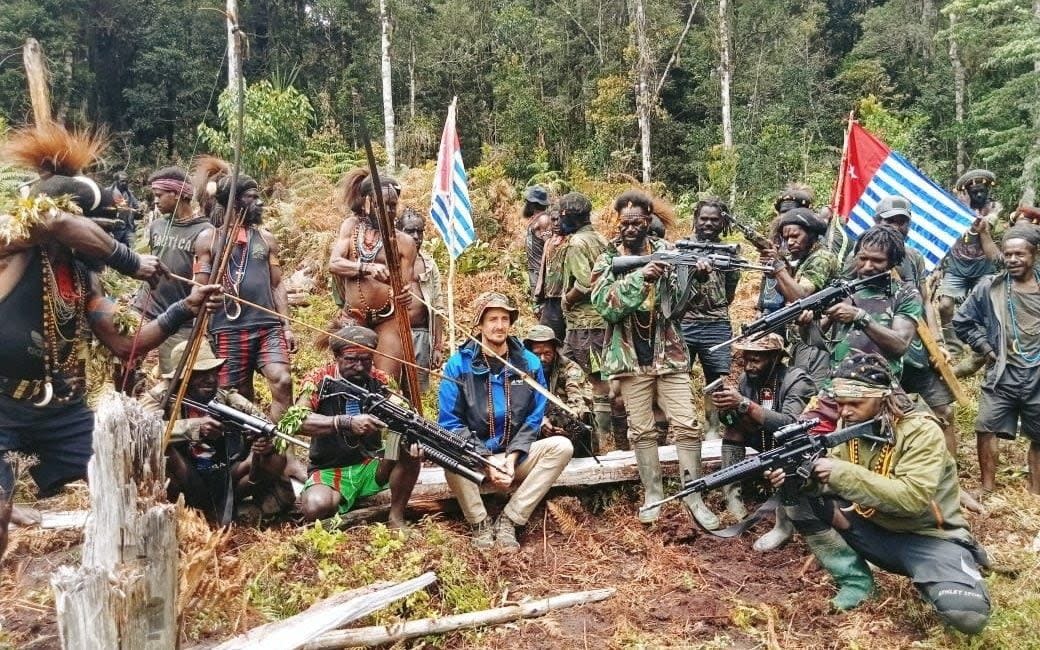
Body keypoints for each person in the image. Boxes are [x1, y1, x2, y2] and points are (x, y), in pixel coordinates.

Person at [0, 122, 208, 513]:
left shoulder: (84, 278)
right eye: (102, 230)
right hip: (1, 403)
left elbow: (125, 343)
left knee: (126, 480)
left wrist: (185, 307)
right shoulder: (13, 245)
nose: (108, 239)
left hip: (61, 409)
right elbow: (55, 221)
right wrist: (129, 261)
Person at [765, 352, 990, 634]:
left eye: (854, 403)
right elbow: (834, 481)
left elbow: (912, 498)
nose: (844, 412)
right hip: (873, 530)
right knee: (798, 496)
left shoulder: (920, 430)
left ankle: (950, 569)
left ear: (882, 397)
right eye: (840, 403)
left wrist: (836, 471)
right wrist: (801, 479)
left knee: (967, 617)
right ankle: (856, 582)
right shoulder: (853, 423)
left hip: (928, 537)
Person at [591, 189, 717, 528]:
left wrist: (698, 278)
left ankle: (694, 495)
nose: (631, 228)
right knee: (642, 429)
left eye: (638, 222)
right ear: (618, 224)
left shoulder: (669, 253)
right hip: (630, 358)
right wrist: (641, 277)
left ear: (650, 221)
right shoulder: (606, 259)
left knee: (687, 424)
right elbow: (605, 304)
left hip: (670, 354)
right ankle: (653, 495)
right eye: (625, 223)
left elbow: (681, 305)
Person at [438, 292, 573, 550]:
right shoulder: (459, 364)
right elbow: (450, 422)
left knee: (562, 447)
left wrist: (511, 460)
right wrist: (486, 461)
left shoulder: (528, 363)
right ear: (480, 323)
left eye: (504, 319)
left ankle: (511, 519)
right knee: (448, 454)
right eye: (492, 319)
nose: (499, 326)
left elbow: (533, 419)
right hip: (475, 459)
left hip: (515, 457)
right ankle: (479, 522)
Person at [141, 341, 292, 524]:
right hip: (184, 477)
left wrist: (263, 443)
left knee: (275, 457)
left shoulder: (225, 399)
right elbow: (142, 430)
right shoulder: (160, 397)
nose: (211, 379)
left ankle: (240, 507)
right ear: (182, 377)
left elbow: (263, 423)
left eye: (213, 372)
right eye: (201, 373)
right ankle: (182, 511)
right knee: (163, 450)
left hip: (223, 475)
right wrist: (193, 427)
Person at [293, 325, 420, 528]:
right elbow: (297, 420)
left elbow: (403, 411)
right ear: (336, 356)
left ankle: (396, 518)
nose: (360, 367)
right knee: (315, 506)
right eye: (351, 360)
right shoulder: (317, 379)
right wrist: (344, 423)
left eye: (366, 360)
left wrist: (410, 433)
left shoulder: (381, 381)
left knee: (410, 449)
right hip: (330, 470)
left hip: (373, 465)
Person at [865, 198, 961, 456]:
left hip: (916, 350)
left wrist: (938, 343)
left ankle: (949, 476)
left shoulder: (914, 258)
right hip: (878, 351)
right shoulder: (863, 256)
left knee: (944, 412)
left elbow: (926, 301)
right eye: (889, 221)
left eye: (902, 221)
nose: (896, 227)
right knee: (884, 417)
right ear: (877, 223)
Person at [954, 227, 1040, 496]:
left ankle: (1036, 490)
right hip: (1003, 371)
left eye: (1020, 254)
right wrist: (984, 345)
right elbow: (962, 321)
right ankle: (987, 486)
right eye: (1009, 254)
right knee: (986, 426)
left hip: (1037, 373)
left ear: (1034, 255)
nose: (1013, 259)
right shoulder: (990, 287)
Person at [202, 171, 295, 420]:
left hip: (268, 327)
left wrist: (286, 325)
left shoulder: (266, 239)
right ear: (232, 201)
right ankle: (251, 454)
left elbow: (277, 285)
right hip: (228, 329)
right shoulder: (209, 240)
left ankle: (282, 451)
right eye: (252, 197)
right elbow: (198, 289)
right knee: (237, 396)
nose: (260, 202)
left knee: (283, 381)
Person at [711, 333, 815, 550]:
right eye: (745, 360)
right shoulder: (746, 381)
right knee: (733, 429)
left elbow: (790, 424)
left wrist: (745, 404)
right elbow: (736, 419)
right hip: (765, 439)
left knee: (790, 444)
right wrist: (726, 410)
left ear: (775, 357)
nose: (749, 367)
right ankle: (733, 500)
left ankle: (787, 523)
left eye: (756, 360)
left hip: (795, 447)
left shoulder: (796, 380)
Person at [329, 168, 418, 385]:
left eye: (393, 206)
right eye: (383, 205)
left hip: (388, 320)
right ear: (368, 203)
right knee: (347, 380)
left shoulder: (405, 243)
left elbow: (405, 288)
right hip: (353, 317)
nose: (390, 211)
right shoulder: (350, 228)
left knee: (386, 383)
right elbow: (334, 263)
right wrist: (366, 268)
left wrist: (405, 296)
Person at [134, 167, 215, 375]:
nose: (155, 201)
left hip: (180, 318)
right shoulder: (157, 226)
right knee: (125, 362)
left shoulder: (204, 232)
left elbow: (201, 281)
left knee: (173, 377)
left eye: (159, 195)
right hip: (145, 308)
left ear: (177, 193)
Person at [817, 225, 921, 379]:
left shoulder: (905, 294)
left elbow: (900, 345)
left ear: (893, 262)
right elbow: (813, 339)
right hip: (836, 383)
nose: (867, 267)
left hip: (876, 387)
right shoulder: (842, 289)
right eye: (863, 258)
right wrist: (809, 324)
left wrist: (860, 317)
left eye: (877, 261)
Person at [557, 192, 613, 451]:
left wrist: (567, 299)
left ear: (570, 216)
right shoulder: (601, 238)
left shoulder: (578, 242)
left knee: (595, 381)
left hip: (586, 324)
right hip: (598, 322)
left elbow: (586, 282)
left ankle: (603, 440)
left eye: (562, 215)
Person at [759, 208, 840, 384]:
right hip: (800, 340)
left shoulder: (822, 258)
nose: (790, 242)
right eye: (787, 238)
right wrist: (776, 272)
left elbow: (800, 298)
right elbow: (787, 294)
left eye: (796, 236)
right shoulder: (804, 258)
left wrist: (779, 268)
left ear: (811, 234)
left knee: (807, 390)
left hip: (817, 341)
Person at [681, 198, 740, 439]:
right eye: (703, 218)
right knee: (678, 375)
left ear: (722, 222)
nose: (708, 223)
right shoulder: (682, 247)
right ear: (695, 219)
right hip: (684, 321)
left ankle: (713, 428)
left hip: (716, 323)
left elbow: (730, 291)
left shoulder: (730, 251)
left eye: (714, 220)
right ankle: (684, 426)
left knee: (715, 378)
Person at [938, 169, 1003, 345]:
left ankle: (985, 342)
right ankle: (953, 346)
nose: (980, 194)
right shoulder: (955, 208)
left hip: (983, 266)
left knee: (988, 304)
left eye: (983, 190)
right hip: (957, 266)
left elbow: (985, 224)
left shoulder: (994, 207)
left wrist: (965, 209)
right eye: (975, 192)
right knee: (944, 306)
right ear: (966, 192)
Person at [523, 324, 593, 455]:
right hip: (535, 425)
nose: (542, 359)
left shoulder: (570, 369)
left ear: (555, 351)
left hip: (566, 423)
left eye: (547, 353)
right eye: (537, 354)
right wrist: (540, 422)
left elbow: (578, 402)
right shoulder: (522, 371)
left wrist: (567, 426)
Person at [396, 207, 443, 392]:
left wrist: (438, 347)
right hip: (393, 334)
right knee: (389, 387)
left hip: (421, 336)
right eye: (410, 231)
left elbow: (438, 308)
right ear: (398, 230)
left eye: (420, 231)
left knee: (415, 392)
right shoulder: (388, 261)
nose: (416, 236)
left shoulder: (429, 265)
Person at [534, 202, 567, 340]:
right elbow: (543, 270)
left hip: (567, 299)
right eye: (553, 219)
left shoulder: (571, 241)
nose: (556, 223)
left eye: (560, 219)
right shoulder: (549, 242)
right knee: (546, 338)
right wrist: (537, 297)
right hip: (550, 300)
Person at [523, 185, 552, 299]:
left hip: (540, 272)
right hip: (534, 270)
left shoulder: (543, 220)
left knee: (540, 307)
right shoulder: (535, 219)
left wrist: (543, 276)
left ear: (532, 204)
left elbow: (549, 247)